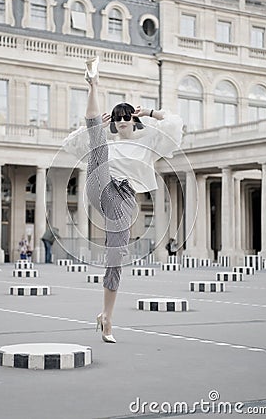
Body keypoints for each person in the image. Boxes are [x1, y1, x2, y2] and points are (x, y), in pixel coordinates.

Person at [64, 57, 183, 343]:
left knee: (115, 257)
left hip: (123, 199)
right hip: (99, 183)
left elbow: (176, 123)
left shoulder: (148, 143)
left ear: (134, 119)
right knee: (97, 142)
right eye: (116, 118)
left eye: (125, 117)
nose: (121, 121)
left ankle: (107, 317)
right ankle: (93, 82)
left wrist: (152, 112)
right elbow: (74, 142)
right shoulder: (108, 140)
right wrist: (97, 124)